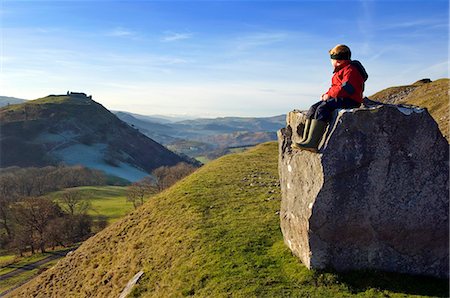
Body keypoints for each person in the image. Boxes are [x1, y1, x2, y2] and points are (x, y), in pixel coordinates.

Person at [292, 44, 368, 152]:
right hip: (343, 97)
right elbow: (336, 87)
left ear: (338, 60)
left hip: (350, 100)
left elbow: (347, 88)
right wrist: (326, 94)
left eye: (332, 60)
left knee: (323, 108)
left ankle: (313, 143)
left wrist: (329, 95)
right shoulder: (342, 69)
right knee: (314, 108)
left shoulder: (350, 70)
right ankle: (306, 139)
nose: (331, 62)